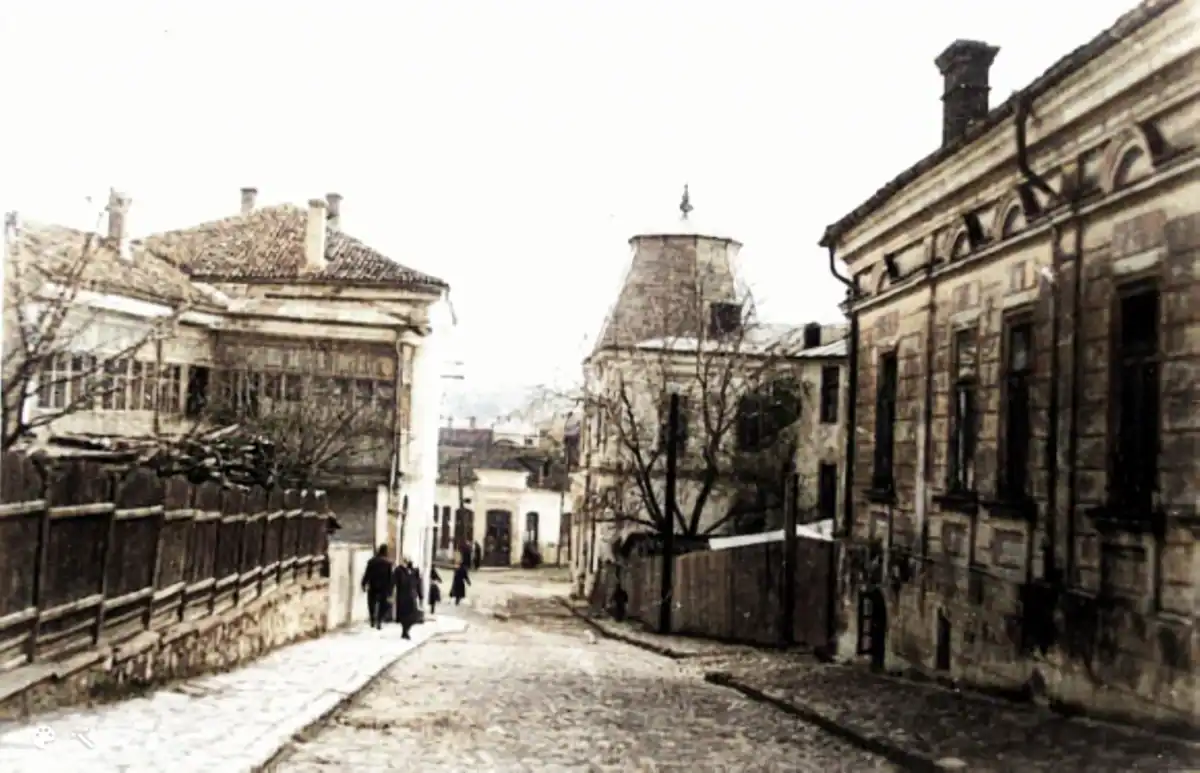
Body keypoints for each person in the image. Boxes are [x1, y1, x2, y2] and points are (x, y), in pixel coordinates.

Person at [360, 544, 393, 630]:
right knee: (383, 605)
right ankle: (379, 620)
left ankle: (372, 619)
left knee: (371, 604)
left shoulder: (372, 561)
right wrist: (390, 590)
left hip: (373, 585)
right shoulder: (388, 563)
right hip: (383, 587)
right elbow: (390, 578)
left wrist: (363, 583)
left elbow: (367, 573)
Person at [393, 560, 421, 640]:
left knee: (413, 616)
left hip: (411, 597)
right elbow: (394, 581)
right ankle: (405, 632)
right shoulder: (399, 570)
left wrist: (420, 595)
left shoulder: (415, 571)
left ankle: (406, 630)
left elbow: (418, 583)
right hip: (402, 597)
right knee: (404, 616)